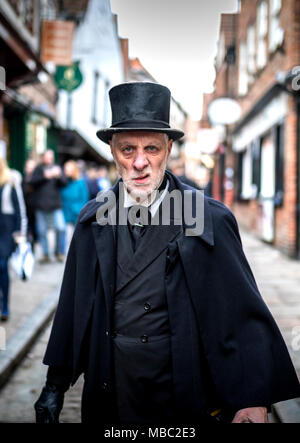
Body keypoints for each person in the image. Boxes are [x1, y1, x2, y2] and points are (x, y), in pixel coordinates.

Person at [34, 82, 300, 424]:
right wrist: (55, 383)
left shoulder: (207, 218)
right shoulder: (93, 219)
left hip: (182, 390)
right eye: (128, 150)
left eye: (152, 148)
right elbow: (75, 306)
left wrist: (252, 397)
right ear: (112, 151)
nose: (140, 162)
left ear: (169, 148)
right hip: (112, 387)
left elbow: (237, 312)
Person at [29, 150, 67, 264]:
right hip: (41, 206)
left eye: (51, 157)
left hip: (55, 205)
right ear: (43, 158)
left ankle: (59, 252)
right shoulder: (38, 169)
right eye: (48, 157)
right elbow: (32, 182)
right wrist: (45, 176)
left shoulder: (57, 168)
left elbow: (64, 183)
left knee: (61, 228)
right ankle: (45, 254)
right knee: (42, 231)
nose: (50, 159)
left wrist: (59, 175)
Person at [0, 158, 21, 321]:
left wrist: (19, 232)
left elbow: (18, 210)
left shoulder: (10, 182)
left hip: (7, 231)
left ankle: (5, 306)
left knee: (2, 266)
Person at [60, 160, 89, 252]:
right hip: (66, 213)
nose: (66, 171)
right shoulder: (64, 182)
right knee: (67, 238)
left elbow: (85, 198)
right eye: (65, 169)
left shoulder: (80, 182)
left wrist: (78, 210)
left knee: (78, 237)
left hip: (77, 214)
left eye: (68, 169)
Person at [22, 159, 38, 252]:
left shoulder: (38, 180)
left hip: (35, 209)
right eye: (29, 167)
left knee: (35, 230)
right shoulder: (23, 180)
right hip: (26, 208)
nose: (30, 170)